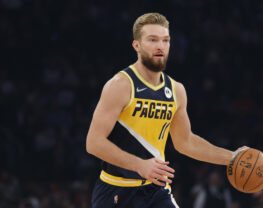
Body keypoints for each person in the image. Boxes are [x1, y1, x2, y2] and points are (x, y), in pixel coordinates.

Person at [86, 12, 247, 208]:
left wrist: (231, 157)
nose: (160, 46)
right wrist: (140, 165)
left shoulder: (176, 90)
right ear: (137, 45)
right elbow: (93, 143)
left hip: (156, 189)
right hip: (116, 190)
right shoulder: (121, 85)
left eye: (165, 40)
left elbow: (185, 142)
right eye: (152, 40)